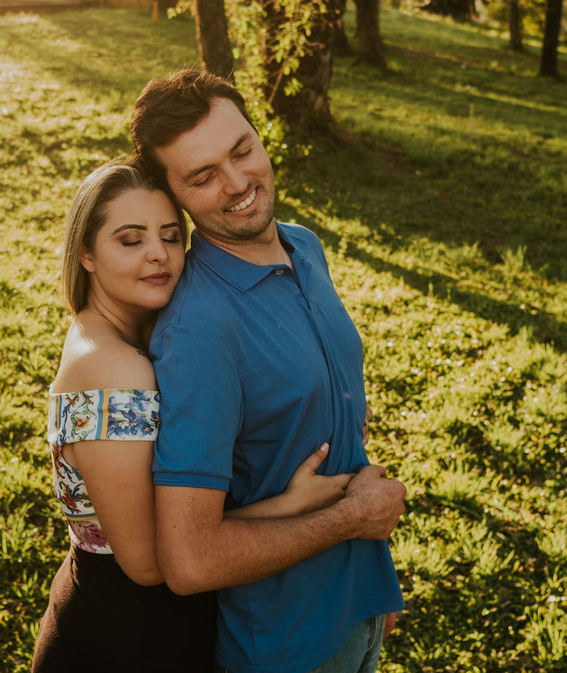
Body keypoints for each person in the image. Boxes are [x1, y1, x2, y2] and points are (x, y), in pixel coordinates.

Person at [129, 70, 409, 673]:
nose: (238, 184)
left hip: (359, 603)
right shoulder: (197, 330)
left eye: (243, 150)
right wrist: (354, 519)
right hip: (287, 646)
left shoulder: (304, 245)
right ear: (173, 195)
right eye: (203, 177)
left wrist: (373, 585)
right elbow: (190, 561)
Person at [31, 159, 356, 673]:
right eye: (130, 240)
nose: (159, 255)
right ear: (87, 254)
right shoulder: (114, 369)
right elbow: (151, 563)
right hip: (132, 639)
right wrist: (292, 505)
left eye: (169, 235)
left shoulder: (118, 338)